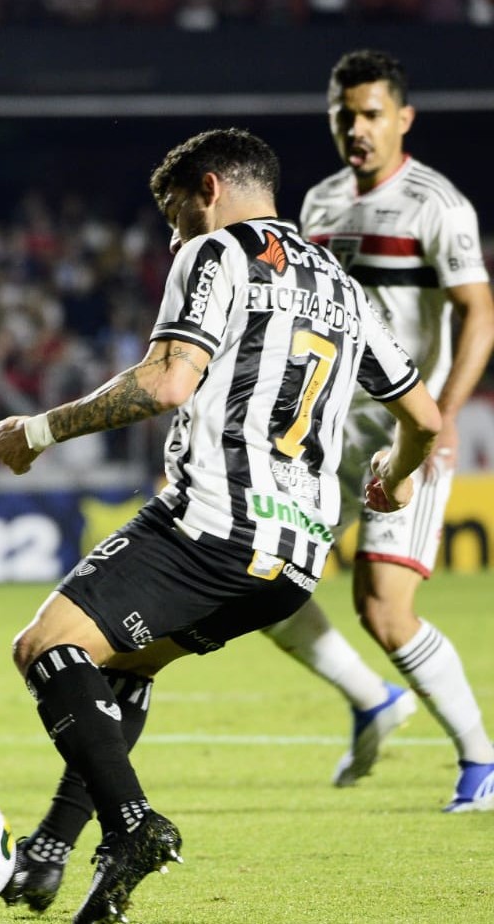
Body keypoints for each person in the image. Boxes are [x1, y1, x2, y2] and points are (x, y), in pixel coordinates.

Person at [0, 128, 441, 924]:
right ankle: (62, 857)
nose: (173, 238)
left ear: (208, 189)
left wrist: (41, 431)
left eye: (174, 217)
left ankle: (131, 828)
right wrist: (393, 478)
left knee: (45, 646)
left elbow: (166, 383)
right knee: (120, 671)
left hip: (214, 521)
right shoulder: (343, 287)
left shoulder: (219, 253)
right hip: (295, 558)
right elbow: (426, 418)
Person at [260, 48, 494, 808]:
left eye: (369, 114)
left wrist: (444, 417)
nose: (356, 128)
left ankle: (480, 758)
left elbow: (478, 314)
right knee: (258, 574)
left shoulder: (438, 204)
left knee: (385, 611)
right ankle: (371, 700)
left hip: (403, 434)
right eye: (344, 115)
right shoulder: (321, 204)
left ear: (402, 118)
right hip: (321, 432)